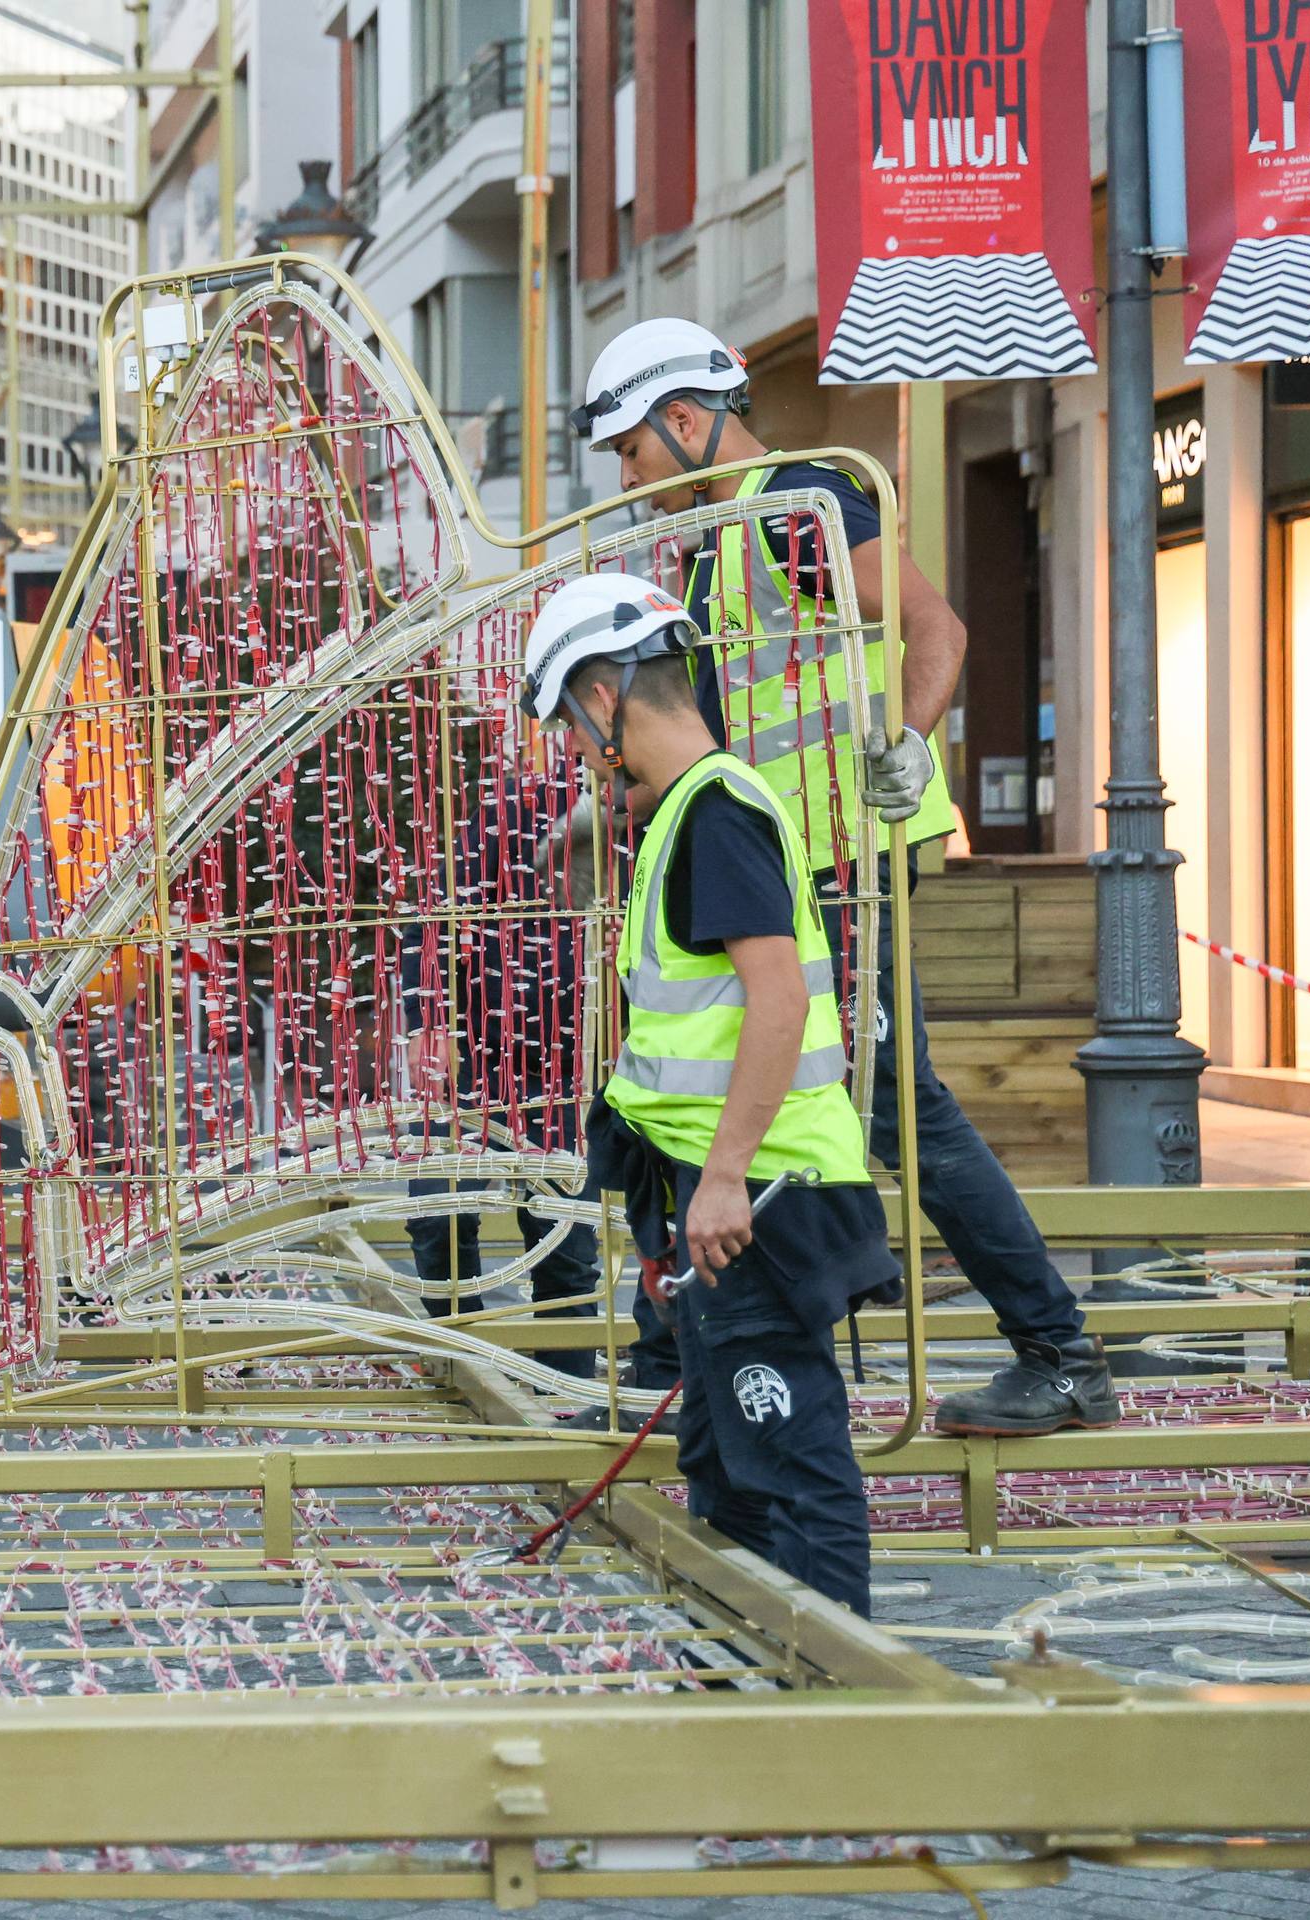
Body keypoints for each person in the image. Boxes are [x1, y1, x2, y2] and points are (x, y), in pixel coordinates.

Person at [571, 319, 1118, 1439]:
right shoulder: (723, 544)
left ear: (686, 420)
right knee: (778, 1087)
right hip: (799, 863)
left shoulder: (793, 509)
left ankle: (1058, 1353)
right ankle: (682, 1358)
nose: (625, 478)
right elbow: (740, 730)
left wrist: (908, 746)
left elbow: (935, 627)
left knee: (890, 1105)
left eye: (630, 448)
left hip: (850, 865)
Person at [525, 574, 899, 1615]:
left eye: (567, 720)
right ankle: (747, 1693)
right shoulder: (689, 812)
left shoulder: (716, 813)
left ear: (604, 700)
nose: (573, 749)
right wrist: (671, 1226)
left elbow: (776, 1003)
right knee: (729, 1465)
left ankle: (838, 1708)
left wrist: (724, 1182)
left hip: (763, 1199)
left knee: (787, 1463)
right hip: (721, 1200)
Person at [403, 728, 599, 1375]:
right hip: (477, 1054)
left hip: (568, 1061)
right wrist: (425, 1019)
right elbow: (430, 922)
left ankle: (563, 1380)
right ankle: (465, 1356)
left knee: (563, 1238)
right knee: (437, 1214)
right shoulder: (492, 816)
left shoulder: (623, 806)